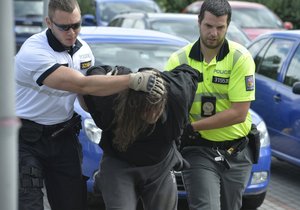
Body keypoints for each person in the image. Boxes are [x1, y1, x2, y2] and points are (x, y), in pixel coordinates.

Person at [15, 0, 164, 209]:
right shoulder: (33, 52)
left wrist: (117, 108)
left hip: (62, 136)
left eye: (76, 25)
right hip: (26, 139)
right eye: (64, 27)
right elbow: (82, 84)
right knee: (28, 204)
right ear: (49, 22)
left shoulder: (83, 51)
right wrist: (133, 80)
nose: (72, 32)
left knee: (73, 202)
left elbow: (87, 101)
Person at [164, 0, 256, 210]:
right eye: (209, 26)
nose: (213, 33)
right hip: (198, 149)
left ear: (227, 26)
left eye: (220, 27)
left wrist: (191, 127)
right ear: (199, 23)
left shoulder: (239, 58)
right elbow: (168, 106)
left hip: (236, 151)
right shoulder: (178, 60)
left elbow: (239, 113)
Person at [82, 64, 200, 210]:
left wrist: (157, 77)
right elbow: (92, 75)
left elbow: (191, 72)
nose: (152, 114)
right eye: (146, 108)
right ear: (133, 104)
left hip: (160, 163)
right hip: (120, 162)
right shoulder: (113, 102)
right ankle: (103, 179)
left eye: (156, 107)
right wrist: (122, 79)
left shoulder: (178, 95)